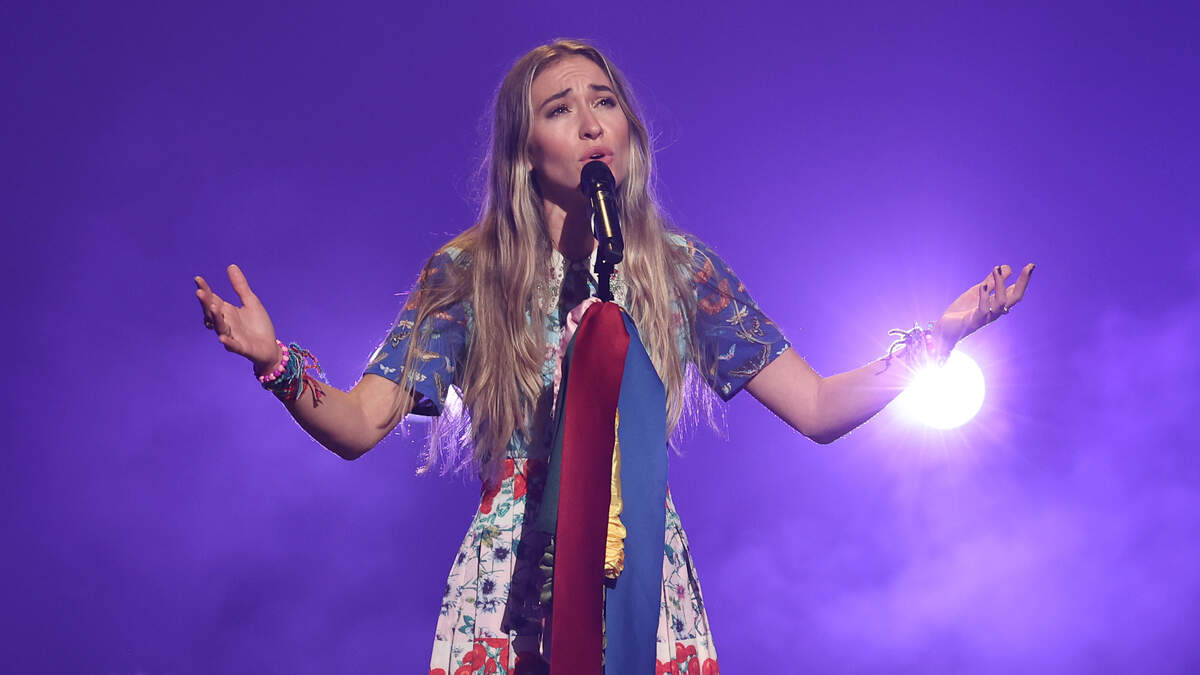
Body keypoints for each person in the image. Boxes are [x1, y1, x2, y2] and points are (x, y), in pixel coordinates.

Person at [194, 38, 1034, 674]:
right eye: (559, 109)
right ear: (524, 150)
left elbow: (815, 407)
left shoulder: (679, 269)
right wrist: (274, 362)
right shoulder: (470, 271)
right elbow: (358, 422)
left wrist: (942, 337)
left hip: (639, 572)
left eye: (605, 101)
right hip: (514, 579)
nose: (592, 121)